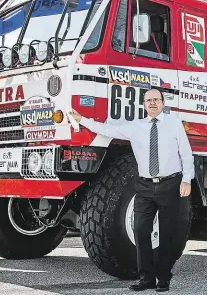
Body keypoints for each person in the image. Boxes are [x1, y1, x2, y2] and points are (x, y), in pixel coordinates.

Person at [68, 88, 194, 292]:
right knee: (141, 231)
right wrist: (82, 119)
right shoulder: (136, 126)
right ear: (144, 104)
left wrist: (187, 179)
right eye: (148, 100)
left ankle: (163, 278)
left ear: (163, 103)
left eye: (156, 100)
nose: (152, 103)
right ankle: (146, 279)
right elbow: (106, 130)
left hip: (170, 184)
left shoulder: (174, 124)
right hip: (144, 185)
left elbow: (186, 154)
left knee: (168, 233)